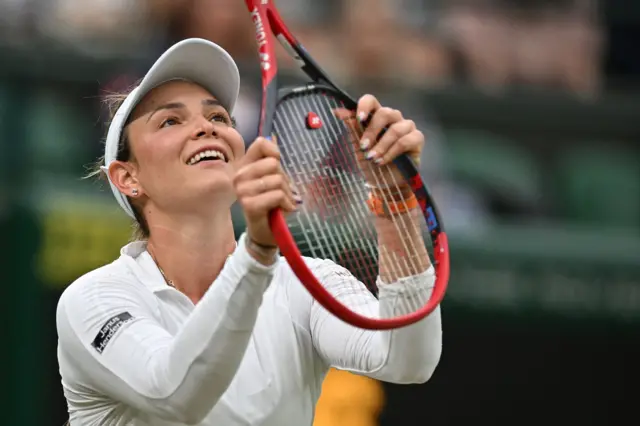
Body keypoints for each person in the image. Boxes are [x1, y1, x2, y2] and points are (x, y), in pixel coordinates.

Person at [56, 38, 442, 425]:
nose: (206, 128)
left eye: (219, 118)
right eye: (171, 120)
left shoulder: (305, 283)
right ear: (127, 177)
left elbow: (408, 358)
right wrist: (257, 252)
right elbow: (175, 394)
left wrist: (396, 205)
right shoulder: (93, 301)